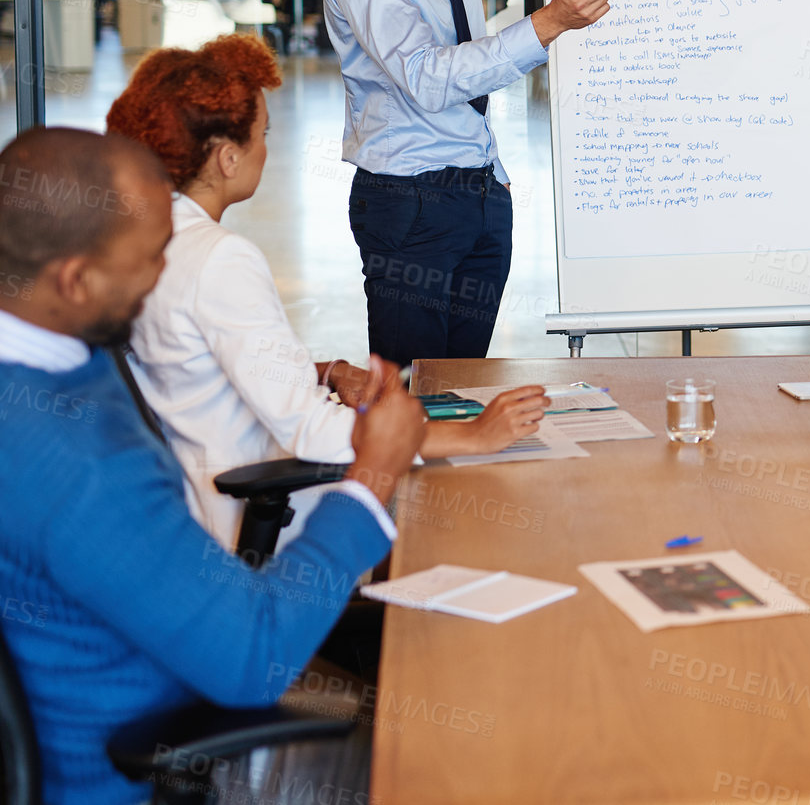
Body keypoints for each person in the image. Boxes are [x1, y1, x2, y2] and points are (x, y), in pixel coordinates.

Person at [0, 127, 423, 805]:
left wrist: (309, 370)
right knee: (453, 758)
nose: (162, 274)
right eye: (149, 259)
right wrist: (373, 475)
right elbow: (253, 658)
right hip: (147, 768)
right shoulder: (73, 466)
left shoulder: (59, 346)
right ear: (74, 280)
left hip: (167, 661)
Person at [104, 34, 550, 551]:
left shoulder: (147, 241)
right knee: (476, 505)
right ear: (228, 158)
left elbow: (187, 362)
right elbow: (310, 433)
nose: (267, 148)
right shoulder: (220, 259)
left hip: (190, 496)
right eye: (263, 134)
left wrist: (327, 372)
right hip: (253, 510)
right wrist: (474, 436)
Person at [319, 0, 615, 366]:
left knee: (461, 393)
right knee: (412, 401)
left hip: (477, 195)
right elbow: (428, 78)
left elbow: (464, 54)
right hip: (410, 202)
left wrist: (494, 176)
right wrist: (549, 22)